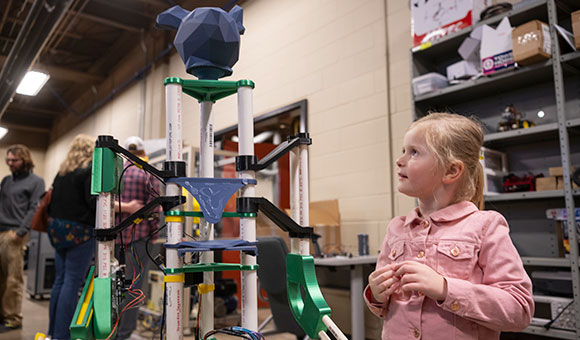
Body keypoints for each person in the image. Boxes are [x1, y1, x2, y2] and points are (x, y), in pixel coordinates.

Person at [365, 113, 534, 339]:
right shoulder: (396, 228)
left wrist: (446, 289)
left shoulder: (485, 226)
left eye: (414, 152)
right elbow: (384, 307)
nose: (400, 160)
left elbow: (519, 309)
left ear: (451, 171)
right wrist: (376, 294)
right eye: (403, 150)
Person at [46, 134, 97, 340]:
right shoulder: (89, 169)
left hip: (57, 231)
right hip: (80, 231)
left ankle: (52, 333)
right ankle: (62, 335)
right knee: (72, 281)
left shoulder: (62, 172)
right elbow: (92, 202)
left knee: (60, 280)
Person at [114, 136, 159, 340]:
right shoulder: (148, 173)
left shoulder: (116, 173)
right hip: (139, 238)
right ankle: (125, 333)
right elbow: (154, 208)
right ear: (142, 152)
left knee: (113, 284)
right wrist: (155, 235)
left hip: (113, 238)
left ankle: (111, 331)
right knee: (134, 287)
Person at [0, 144, 45, 333]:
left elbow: (35, 207)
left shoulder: (36, 181)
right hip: (0, 230)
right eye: (8, 160)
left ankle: (13, 318)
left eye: (14, 160)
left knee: (13, 279)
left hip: (14, 235)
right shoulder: (6, 180)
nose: (10, 163)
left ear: (24, 160)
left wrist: (20, 231)